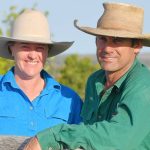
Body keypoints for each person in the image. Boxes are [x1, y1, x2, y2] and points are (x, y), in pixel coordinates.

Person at [24, 2, 150, 150]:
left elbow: (120, 139)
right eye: (102, 38)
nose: (107, 48)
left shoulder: (143, 85)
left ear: (136, 46)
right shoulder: (95, 81)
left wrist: (52, 136)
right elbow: (89, 132)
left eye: (117, 40)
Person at [0, 9, 82, 137]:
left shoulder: (70, 99)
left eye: (40, 48)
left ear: (47, 52)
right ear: (11, 49)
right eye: (25, 46)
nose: (33, 55)